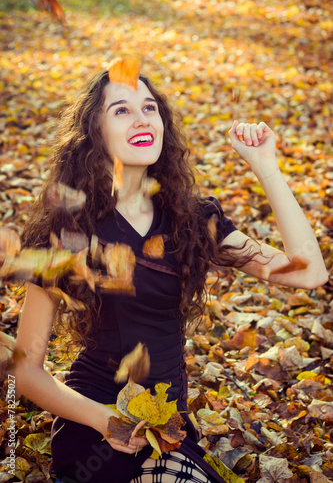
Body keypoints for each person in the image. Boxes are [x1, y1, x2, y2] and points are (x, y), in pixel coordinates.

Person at [14, 69, 328, 483]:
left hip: (170, 425)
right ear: (94, 133)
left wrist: (265, 166)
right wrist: (104, 420)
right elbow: (26, 370)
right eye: (121, 110)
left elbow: (309, 274)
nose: (142, 118)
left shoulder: (192, 221)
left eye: (149, 107)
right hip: (93, 424)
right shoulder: (65, 233)